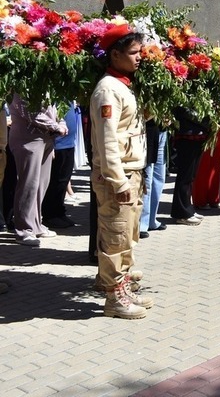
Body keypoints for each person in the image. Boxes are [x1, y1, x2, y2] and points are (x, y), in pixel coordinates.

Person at [89, 24, 153, 318]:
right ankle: (114, 299)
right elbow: (107, 141)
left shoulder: (123, 84)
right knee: (115, 237)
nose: (140, 57)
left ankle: (122, 287)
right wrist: (118, 181)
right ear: (115, 55)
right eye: (133, 53)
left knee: (126, 235)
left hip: (132, 171)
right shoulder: (107, 90)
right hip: (119, 176)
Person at [9, 94, 68, 246]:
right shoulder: (22, 86)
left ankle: (36, 224)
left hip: (46, 138)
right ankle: (24, 230)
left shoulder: (48, 82)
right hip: (27, 139)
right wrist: (56, 126)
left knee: (41, 183)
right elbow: (30, 113)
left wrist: (62, 121)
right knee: (29, 183)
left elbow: (56, 107)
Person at [41, 102, 80, 229]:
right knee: (55, 181)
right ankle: (50, 215)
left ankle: (59, 212)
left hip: (69, 143)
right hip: (58, 144)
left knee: (63, 180)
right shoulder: (55, 94)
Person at [170, 106, 210, 225]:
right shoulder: (186, 90)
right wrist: (205, 120)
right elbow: (182, 110)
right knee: (185, 175)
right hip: (187, 134)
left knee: (191, 175)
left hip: (196, 133)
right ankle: (182, 213)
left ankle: (187, 208)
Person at [139, 120, 168, 236]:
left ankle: (152, 220)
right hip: (147, 132)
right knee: (148, 180)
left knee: (159, 178)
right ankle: (142, 224)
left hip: (161, 131)